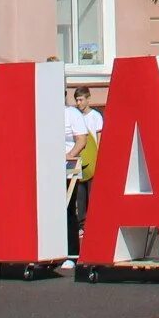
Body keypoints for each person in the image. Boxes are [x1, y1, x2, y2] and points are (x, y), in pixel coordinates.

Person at [63, 83, 104, 249]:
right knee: (79, 196)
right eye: (77, 100)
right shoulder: (72, 113)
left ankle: (91, 227)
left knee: (85, 196)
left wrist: (98, 159)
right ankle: (81, 225)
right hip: (70, 164)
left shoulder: (93, 116)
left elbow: (92, 140)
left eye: (81, 99)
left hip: (81, 161)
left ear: (88, 99)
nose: (79, 103)